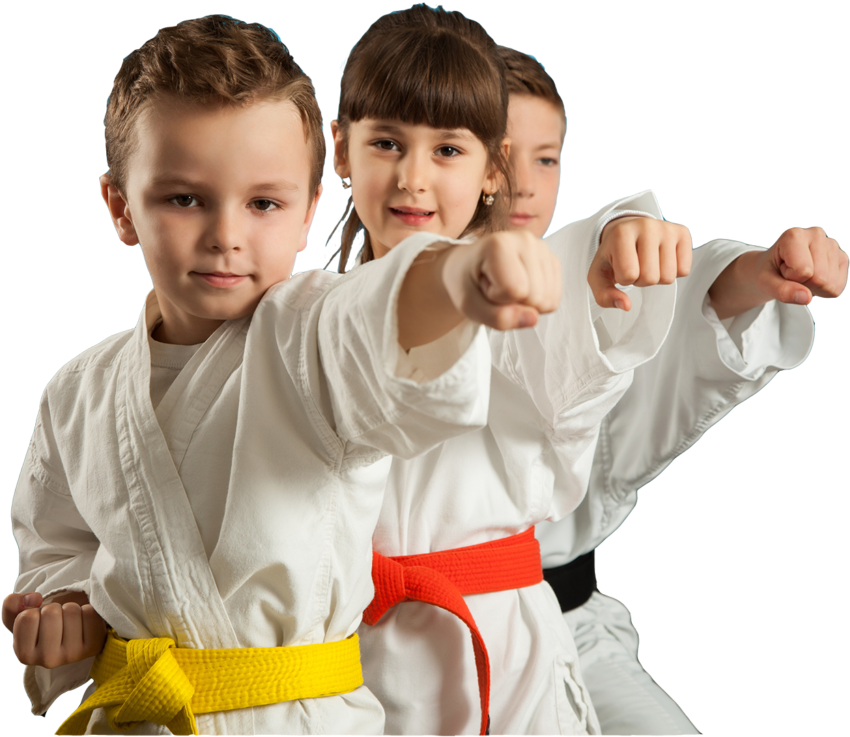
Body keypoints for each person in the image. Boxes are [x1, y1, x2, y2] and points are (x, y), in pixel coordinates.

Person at [3, 15, 563, 736]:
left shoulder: (306, 334)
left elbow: (376, 319)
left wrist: (459, 274)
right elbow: (57, 545)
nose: (225, 234)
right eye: (184, 198)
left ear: (307, 216)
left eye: (263, 203)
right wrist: (64, 611)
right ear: (121, 207)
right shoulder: (77, 391)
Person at [326, 6, 696, 735]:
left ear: (494, 169)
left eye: (448, 151)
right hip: (348, 661)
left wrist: (617, 237)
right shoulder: (302, 311)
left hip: (501, 653)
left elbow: (569, 289)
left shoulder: (515, 292)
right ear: (341, 151)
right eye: (387, 142)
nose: (413, 177)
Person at [498, 43, 847, 735]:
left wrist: (756, 273)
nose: (524, 186)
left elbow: (676, 313)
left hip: (572, 628)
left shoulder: (589, 278)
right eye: (497, 154)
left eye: (546, 158)